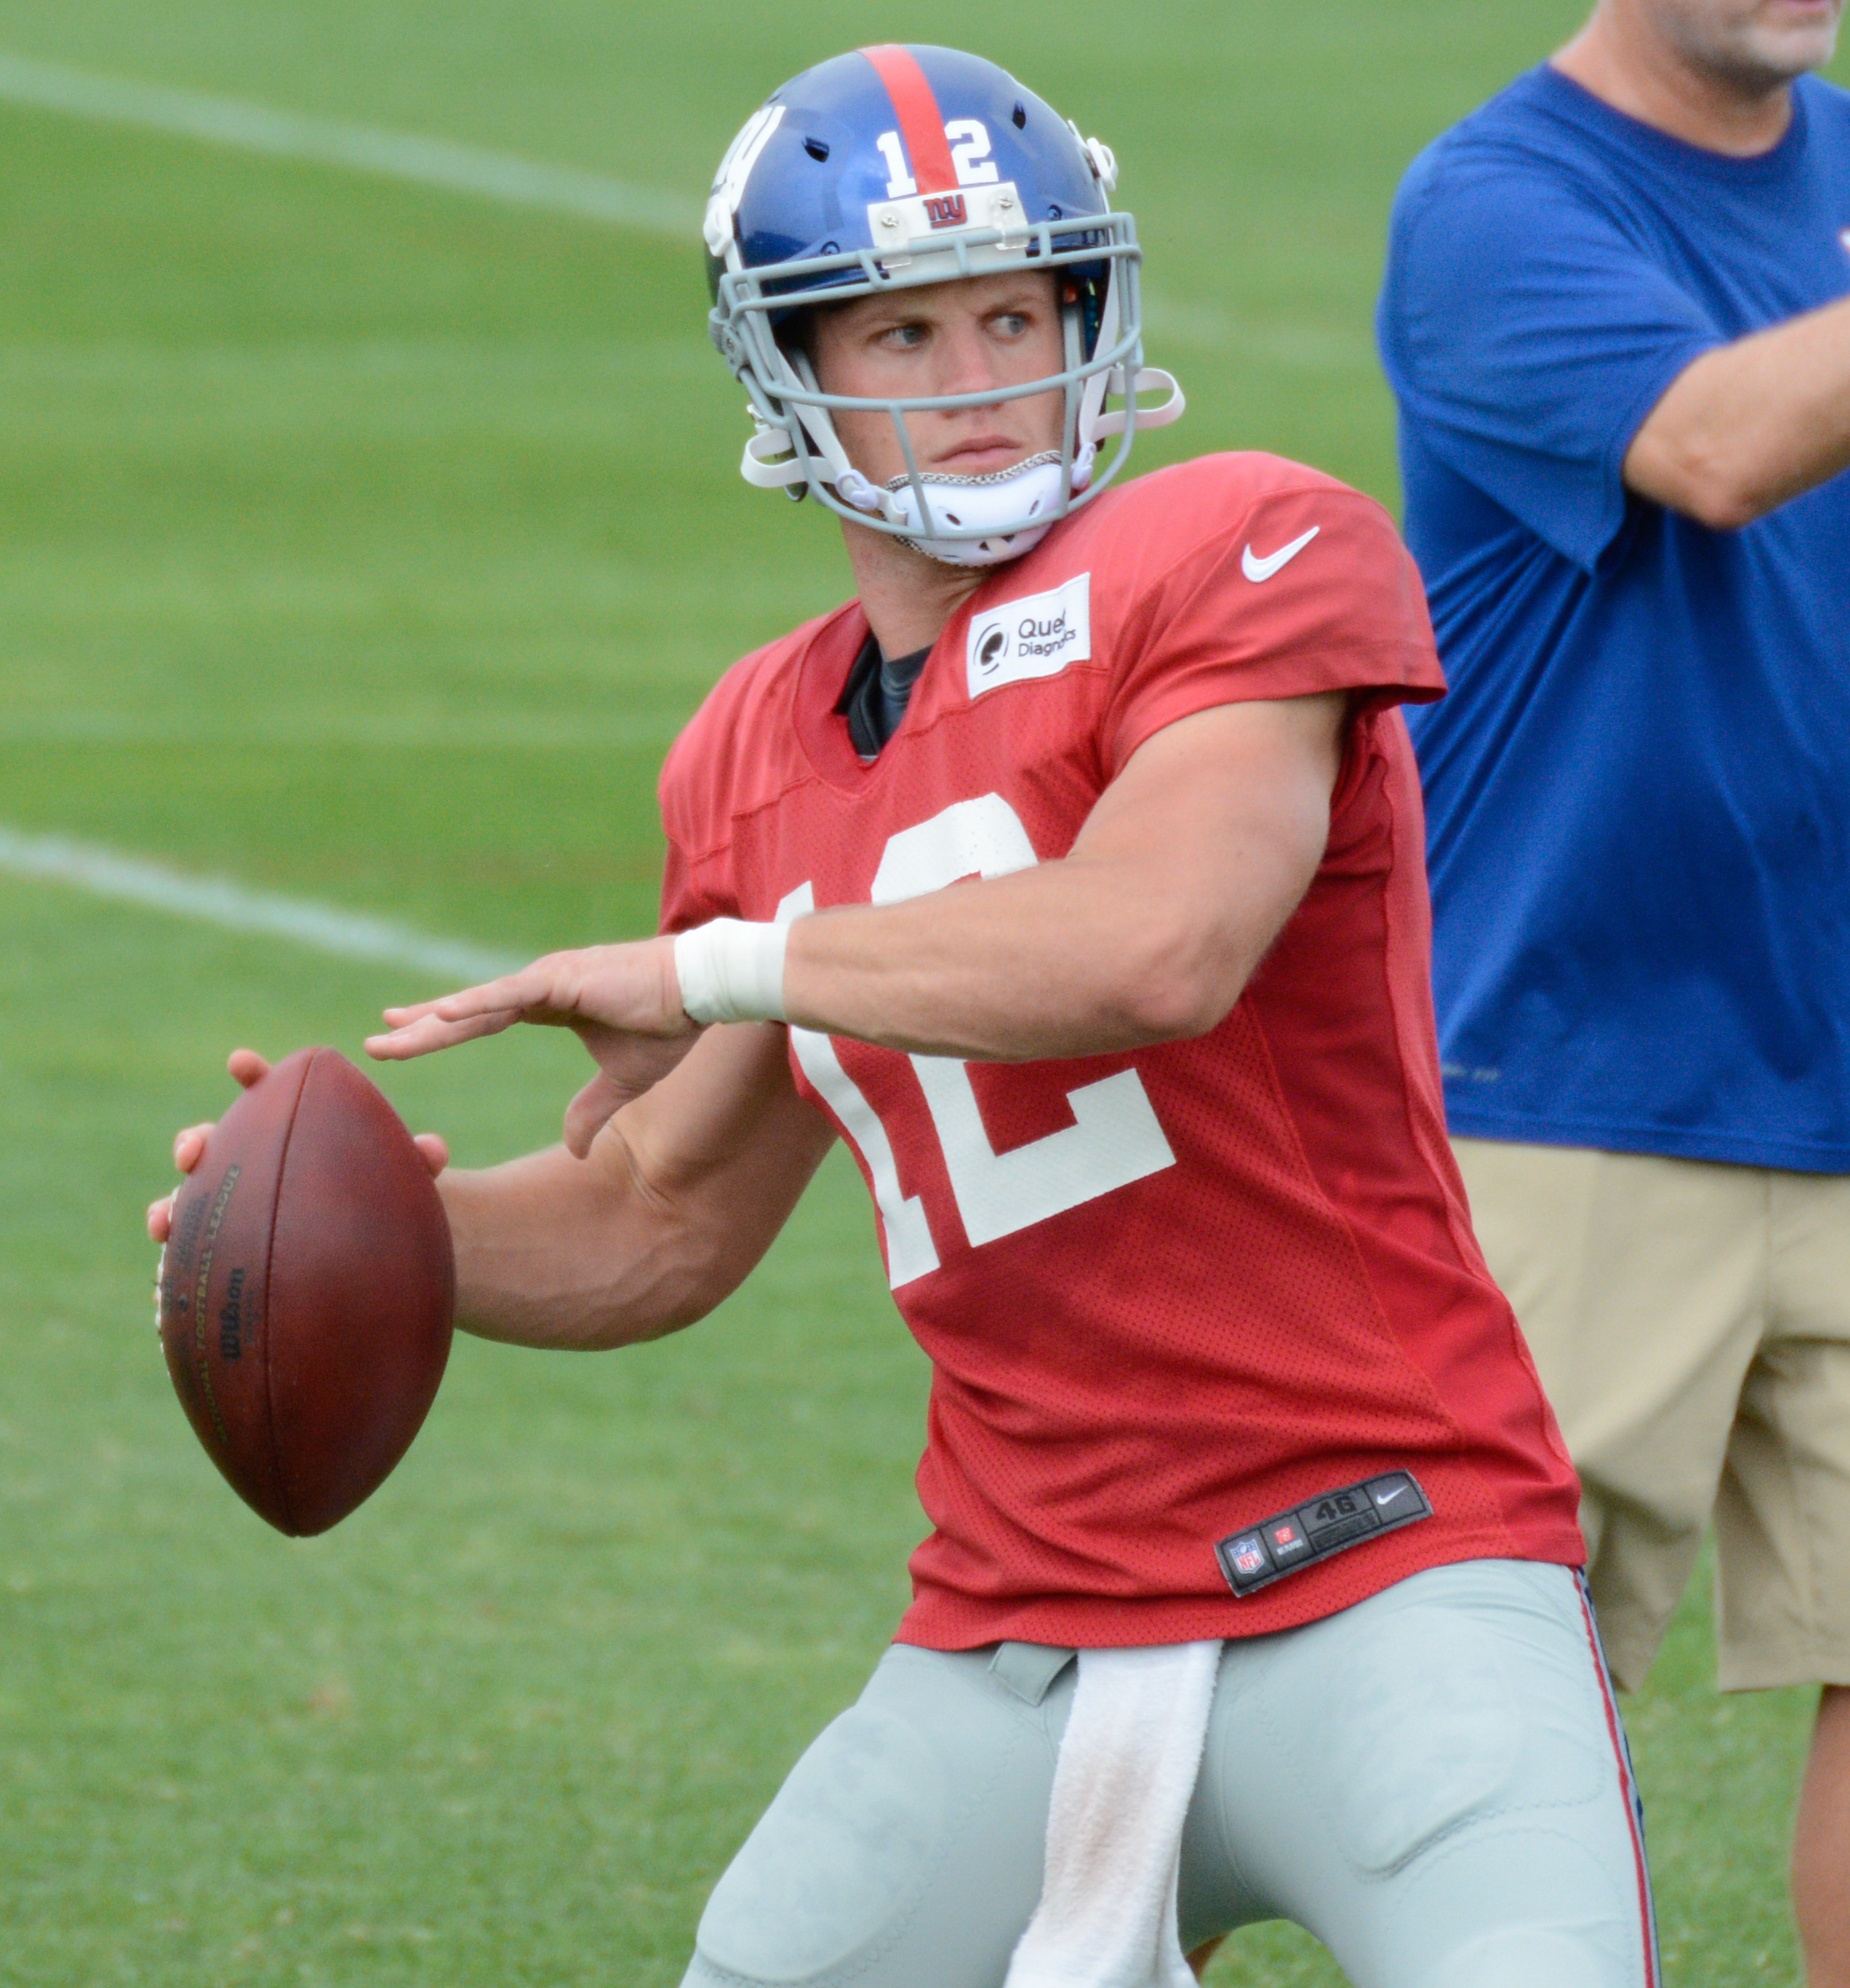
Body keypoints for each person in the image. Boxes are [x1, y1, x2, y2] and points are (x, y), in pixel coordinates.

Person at [155, 46, 1659, 1988]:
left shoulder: (1235, 546)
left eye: (1022, 312)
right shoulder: (755, 747)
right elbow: (662, 1217)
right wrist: (327, 1243)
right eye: (908, 329)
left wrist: (720, 967)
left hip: (1390, 1565)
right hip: (1015, 1630)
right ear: (789, 364)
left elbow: (1159, 943)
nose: (985, 379)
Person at [1375, 1, 1850, 1980]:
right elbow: (1717, 448)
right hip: (1567, 1081)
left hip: (1836, 1065)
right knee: (1453, 1709)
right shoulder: (1494, 203)